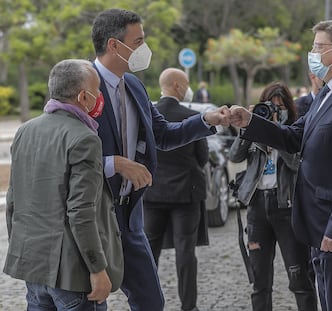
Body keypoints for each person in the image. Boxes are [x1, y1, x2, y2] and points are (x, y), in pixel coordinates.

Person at [229, 19, 332, 311]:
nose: (312, 54)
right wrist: (251, 122)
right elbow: (295, 136)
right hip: (319, 225)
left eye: (318, 47)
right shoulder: (329, 91)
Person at [91, 8, 230, 311]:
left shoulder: (136, 87)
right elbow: (67, 156)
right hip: (92, 216)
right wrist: (114, 162)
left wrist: (206, 119)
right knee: (89, 301)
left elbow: (163, 135)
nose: (145, 48)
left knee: (151, 301)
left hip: (130, 216)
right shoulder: (82, 85)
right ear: (114, 45)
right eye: (138, 41)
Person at [3, 59, 123, 310]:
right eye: (98, 89)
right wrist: (98, 269)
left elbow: (14, 202)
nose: (100, 96)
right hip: (74, 275)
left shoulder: (25, 131)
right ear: (83, 96)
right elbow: (81, 212)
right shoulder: (85, 138)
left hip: (34, 269)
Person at [229, 81, 318, 311]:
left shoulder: (296, 131)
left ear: (288, 107)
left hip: (286, 205)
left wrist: (277, 133)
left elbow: (298, 164)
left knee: (299, 277)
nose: (276, 111)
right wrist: (249, 126)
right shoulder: (255, 128)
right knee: (260, 281)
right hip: (257, 207)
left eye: (280, 106)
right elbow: (235, 156)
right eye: (271, 106)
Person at [142, 68, 208, 311]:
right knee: (185, 251)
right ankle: (188, 306)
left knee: (149, 253)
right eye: (187, 83)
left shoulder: (147, 115)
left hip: (152, 192)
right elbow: (202, 157)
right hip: (186, 193)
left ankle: (146, 304)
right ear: (178, 86)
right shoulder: (191, 116)